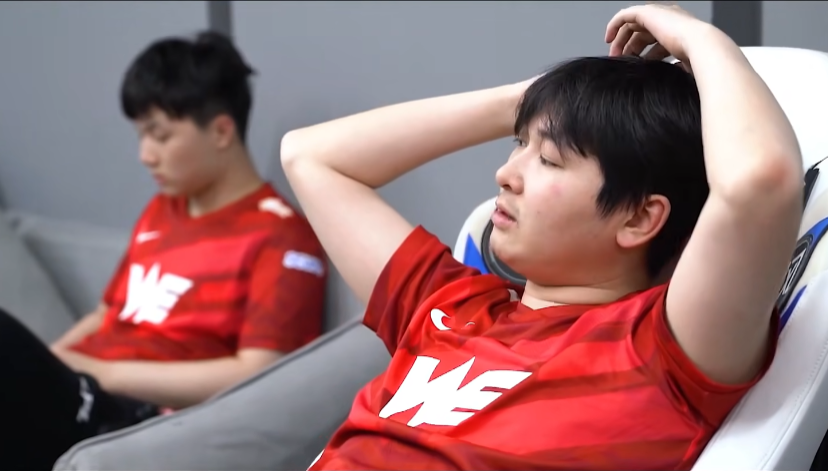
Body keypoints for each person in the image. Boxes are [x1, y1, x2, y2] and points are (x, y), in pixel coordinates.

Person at [281, 4, 802, 471]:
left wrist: (699, 37)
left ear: (639, 218)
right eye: (518, 144)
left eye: (549, 159)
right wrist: (535, 100)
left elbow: (760, 184)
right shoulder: (447, 305)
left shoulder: (661, 350)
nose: (505, 175)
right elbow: (310, 157)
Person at [2, 31, 326, 470]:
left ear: (221, 131)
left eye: (160, 136)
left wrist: (106, 373)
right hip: (83, 388)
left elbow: (259, 374)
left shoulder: (281, 236)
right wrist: (49, 360)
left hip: (134, 417)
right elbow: (106, 314)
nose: (145, 155)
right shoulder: (162, 210)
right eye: (141, 136)